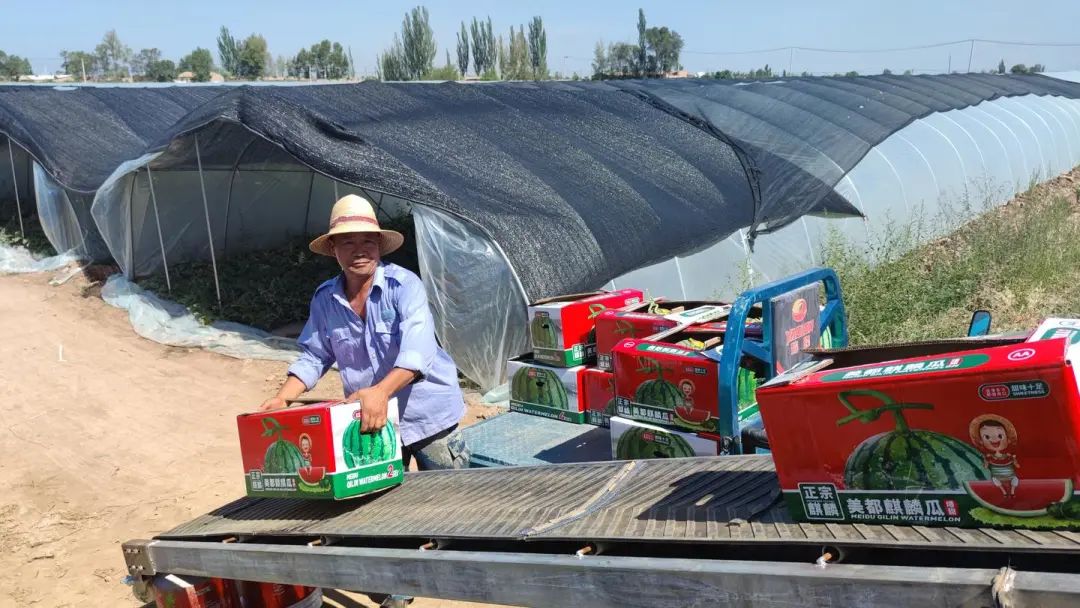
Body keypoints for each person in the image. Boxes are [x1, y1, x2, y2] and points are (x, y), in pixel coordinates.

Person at [260, 194, 469, 472]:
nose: (360, 251)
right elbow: (314, 355)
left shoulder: (405, 286)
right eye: (348, 242)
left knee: (451, 501)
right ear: (333, 248)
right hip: (372, 421)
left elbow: (417, 352)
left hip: (428, 417)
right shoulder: (326, 299)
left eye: (368, 241)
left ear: (379, 246)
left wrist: (381, 392)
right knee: (385, 505)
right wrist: (283, 398)